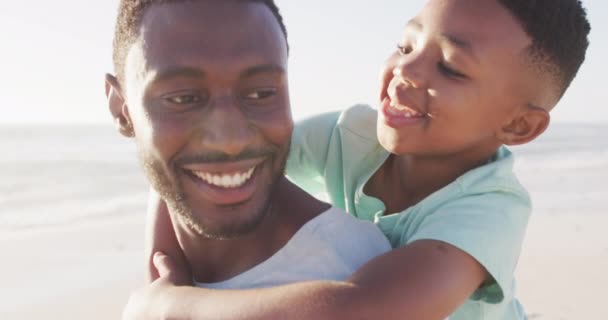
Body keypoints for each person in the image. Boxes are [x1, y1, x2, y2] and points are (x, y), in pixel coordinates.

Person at [133, 0, 591, 319]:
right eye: (406, 46)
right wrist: (168, 274)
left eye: (449, 67)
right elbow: (201, 161)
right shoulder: (354, 136)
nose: (405, 71)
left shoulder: (490, 208)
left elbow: (363, 310)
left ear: (518, 127)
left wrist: (177, 309)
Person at [105, 0, 392, 317]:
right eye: (184, 98)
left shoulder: (353, 274)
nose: (230, 141)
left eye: (260, 93)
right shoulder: (162, 279)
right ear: (122, 110)